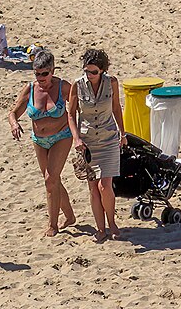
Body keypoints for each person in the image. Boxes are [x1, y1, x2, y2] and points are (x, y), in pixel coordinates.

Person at [8, 47, 78, 236]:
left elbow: (80, 107)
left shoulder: (64, 87)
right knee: (52, 181)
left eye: (44, 74)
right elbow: (13, 112)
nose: (41, 78)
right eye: (37, 74)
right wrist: (14, 124)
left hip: (61, 137)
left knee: (50, 179)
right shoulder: (30, 89)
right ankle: (70, 216)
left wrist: (80, 134)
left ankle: (52, 225)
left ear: (53, 70)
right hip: (39, 140)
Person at [69, 48, 125, 243]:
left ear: (102, 70)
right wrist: (76, 138)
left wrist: (123, 133)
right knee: (93, 187)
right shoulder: (77, 85)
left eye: (94, 72)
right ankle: (100, 229)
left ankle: (112, 223)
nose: (90, 75)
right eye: (87, 71)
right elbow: (71, 113)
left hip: (108, 138)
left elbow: (116, 107)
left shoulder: (112, 83)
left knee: (105, 186)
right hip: (88, 142)